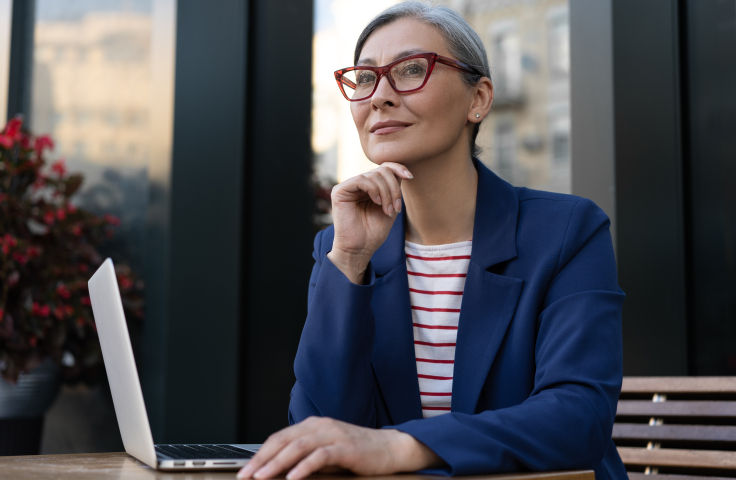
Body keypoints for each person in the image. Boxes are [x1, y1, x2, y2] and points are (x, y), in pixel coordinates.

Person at [238, 2, 626, 479]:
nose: (378, 96)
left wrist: (400, 446)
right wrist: (349, 260)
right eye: (364, 78)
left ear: (478, 99)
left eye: (411, 70)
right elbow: (319, 428)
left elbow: (578, 417)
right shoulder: (344, 247)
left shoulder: (567, 231)